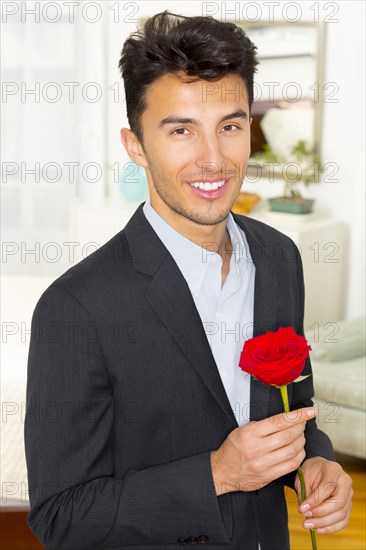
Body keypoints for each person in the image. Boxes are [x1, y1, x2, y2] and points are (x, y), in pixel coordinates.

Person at [24, 11, 352, 550]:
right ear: (135, 146)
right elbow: (60, 516)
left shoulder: (279, 258)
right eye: (181, 130)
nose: (214, 159)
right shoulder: (75, 308)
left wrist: (315, 461)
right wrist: (219, 474)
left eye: (230, 125)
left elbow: (293, 409)